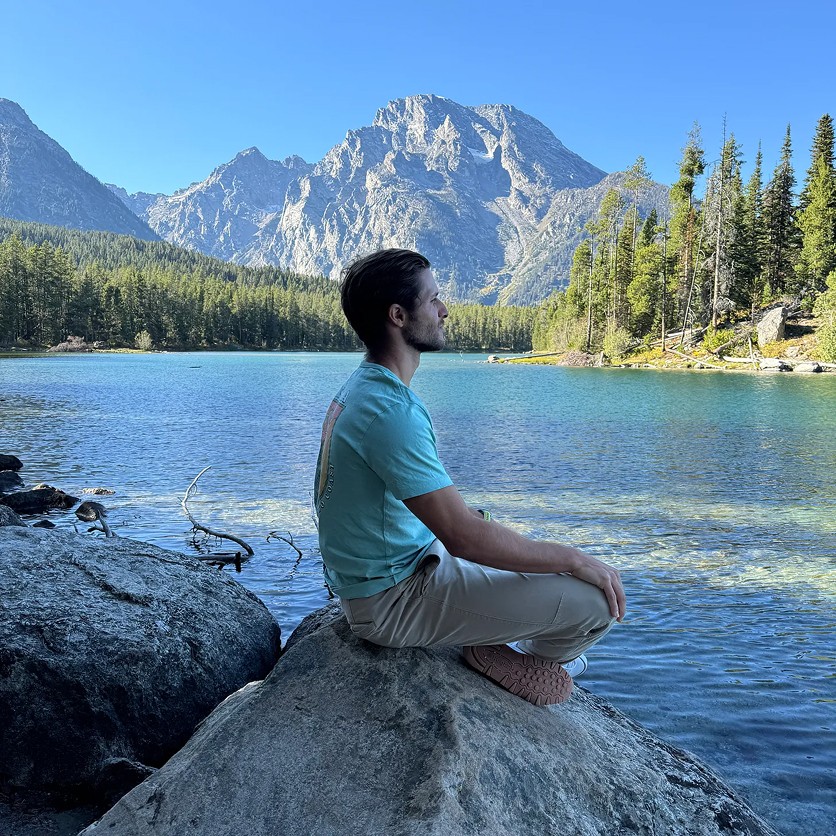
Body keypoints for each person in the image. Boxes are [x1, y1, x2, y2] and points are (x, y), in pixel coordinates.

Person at [314, 248, 625, 706]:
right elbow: (462, 538)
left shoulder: (364, 389)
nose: (444, 310)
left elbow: (445, 520)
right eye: (434, 299)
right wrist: (573, 558)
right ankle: (523, 657)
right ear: (398, 316)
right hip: (391, 604)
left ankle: (510, 640)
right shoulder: (389, 411)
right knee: (597, 602)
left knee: (496, 528)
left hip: (399, 566)